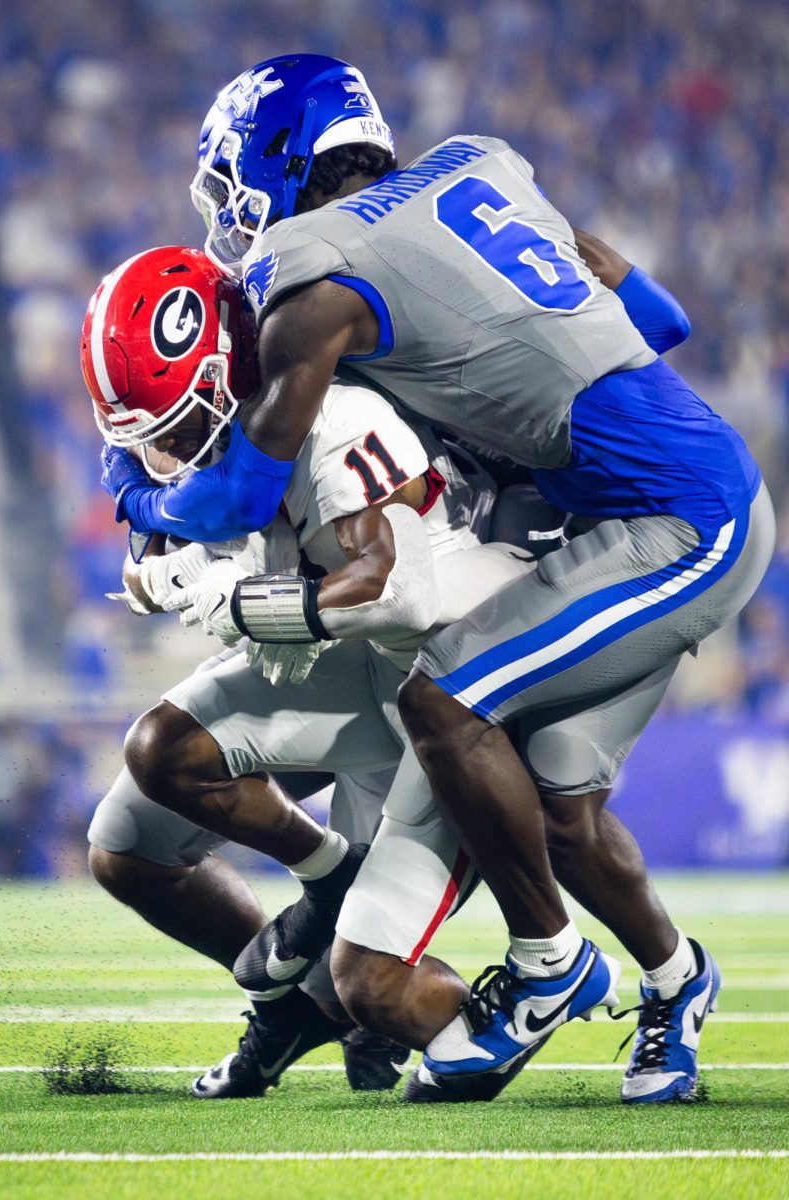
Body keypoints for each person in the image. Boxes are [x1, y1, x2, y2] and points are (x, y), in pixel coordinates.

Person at [97, 55, 774, 1104]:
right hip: (647, 497)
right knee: (558, 799)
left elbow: (234, 497)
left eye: (236, 198)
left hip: (676, 521)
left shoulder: (306, 277)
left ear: (277, 171)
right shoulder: (479, 166)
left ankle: (546, 968)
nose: (236, 230)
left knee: (446, 699)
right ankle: (675, 983)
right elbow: (662, 319)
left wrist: (136, 502)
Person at [83, 242, 540, 1098]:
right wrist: (162, 570)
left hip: (434, 701)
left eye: (179, 424)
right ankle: (310, 956)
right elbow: (174, 535)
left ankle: (526, 987)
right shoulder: (205, 450)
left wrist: (238, 595)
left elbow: (395, 595)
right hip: (331, 670)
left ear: (232, 371)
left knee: (371, 993)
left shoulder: (336, 418)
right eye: (149, 435)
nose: (169, 455)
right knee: (130, 833)